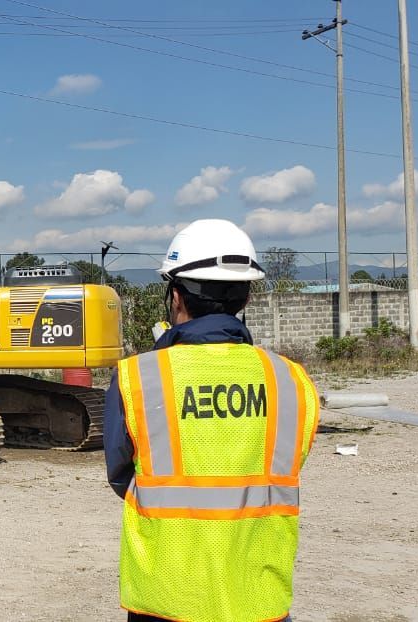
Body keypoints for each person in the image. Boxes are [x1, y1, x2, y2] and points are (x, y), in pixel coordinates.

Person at [103, 219, 320, 622]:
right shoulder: (290, 379)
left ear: (175, 296)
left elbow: (121, 475)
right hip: (258, 597)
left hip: (167, 596)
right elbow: (284, 469)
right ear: (247, 296)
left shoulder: (139, 377)